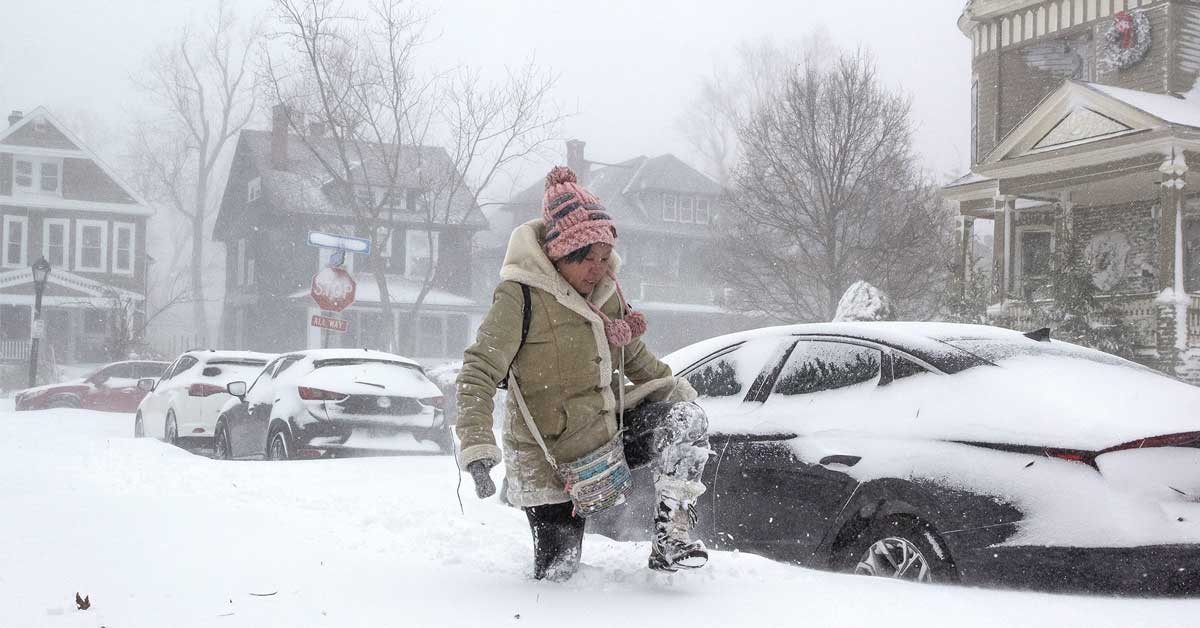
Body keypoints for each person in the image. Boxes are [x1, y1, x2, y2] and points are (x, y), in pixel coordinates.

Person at [455, 166, 712, 581]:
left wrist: (688, 397)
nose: (598, 269)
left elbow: (641, 363)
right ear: (560, 254)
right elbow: (478, 371)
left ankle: (672, 538)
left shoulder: (607, 295)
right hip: (549, 458)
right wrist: (478, 448)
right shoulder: (520, 294)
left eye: (604, 257)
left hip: (607, 438)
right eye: (586, 259)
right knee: (560, 577)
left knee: (685, 419)